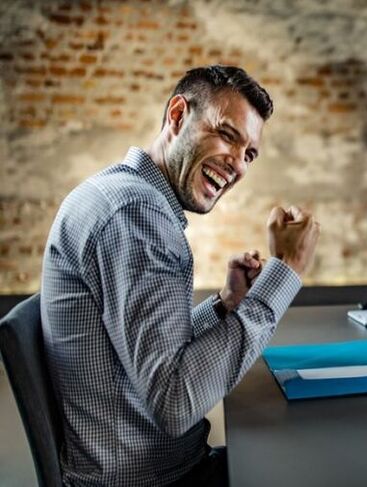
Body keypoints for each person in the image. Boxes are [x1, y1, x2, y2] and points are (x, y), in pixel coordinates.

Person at [41, 65, 320, 486]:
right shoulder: (136, 214)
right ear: (176, 116)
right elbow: (175, 402)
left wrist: (226, 305)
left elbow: (150, 356)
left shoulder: (120, 195)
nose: (239, 166)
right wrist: (285, 272)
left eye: (249, 153)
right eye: (228, 134)